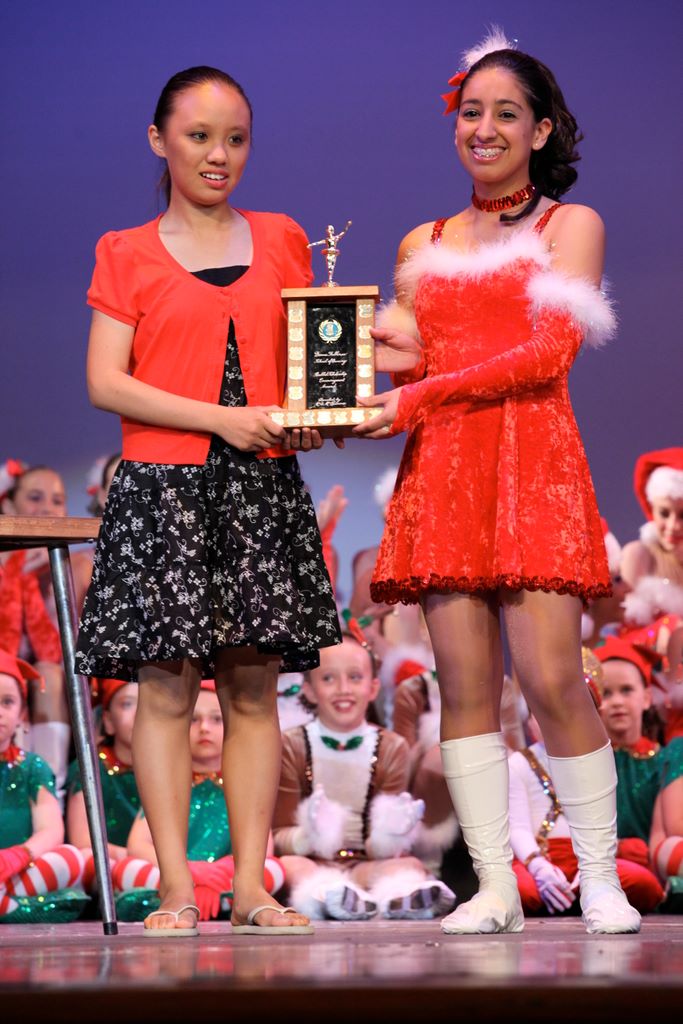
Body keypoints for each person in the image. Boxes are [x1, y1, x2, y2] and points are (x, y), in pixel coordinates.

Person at [353, 28, 640, 934]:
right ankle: (492, 887)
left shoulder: (570, 226)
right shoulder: (424, 242)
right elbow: (411, 357)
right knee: (463, 688)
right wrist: (337, 359)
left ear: (540, 130)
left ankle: (598, 877)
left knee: (552, 679)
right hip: (445, 467)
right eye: (470, 112)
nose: (483, 128)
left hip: (532, 464)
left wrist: (414, 394)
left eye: (505, 114)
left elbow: (545, 357)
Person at [74, 66, 341, 936]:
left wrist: (312, 418)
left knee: (253, 691)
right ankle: (176, 888)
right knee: (164, 692)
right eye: (198, 136)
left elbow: (304, 362)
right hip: (166, 490)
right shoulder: (126, 250)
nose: (217, 154)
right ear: (159, 141)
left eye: (234, 138)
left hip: (259, 486)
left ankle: (253, 888)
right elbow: (105, 380)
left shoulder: (285, 237)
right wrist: (222, 419)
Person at [273, 634, 455, 920]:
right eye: (328, 679)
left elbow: (379, 849)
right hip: (311, 864)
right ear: (309, 690)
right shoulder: (290, 745)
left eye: (355, 677)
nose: (343, 690)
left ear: (373, 688)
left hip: (366, 865)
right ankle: (329, 896)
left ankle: (398, 898)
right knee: (290, 866)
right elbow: (278, 834)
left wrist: (391, 833)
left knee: (409, 866)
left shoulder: (391, 747)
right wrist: (309, 836)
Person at [111, 682, 285, 922]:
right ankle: (180, 891)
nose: (204, 728)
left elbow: (266, 848)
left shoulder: (240, 786)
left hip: (224, 874)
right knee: (127, 869)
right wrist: (194, 870)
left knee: (275, 868)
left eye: (216, 719)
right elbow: (137, 845)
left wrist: (219, 871)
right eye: (193, 720)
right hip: (180, 869)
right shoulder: (170, 784)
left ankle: (244, 893)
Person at [509, 647, 664, 917]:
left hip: (587, 858)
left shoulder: (597, 760)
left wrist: (595, 866)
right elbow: (518, 827)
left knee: (644, 883)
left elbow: (603, 822)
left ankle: (590, 890)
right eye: (543, 712)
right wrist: (538, 866)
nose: (555, 721)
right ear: (530, 717)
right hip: (538, 859)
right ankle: (561, 892)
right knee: (521, 891)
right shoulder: (519, 763)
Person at [0, 460, 91, 798]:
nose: (48, 508)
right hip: (5, 673)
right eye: (35, 497)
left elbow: (64, 650)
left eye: (57, 500)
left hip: (56, 683)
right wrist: (17, 570)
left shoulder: (73, 565)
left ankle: (50, 792)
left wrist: (48, 574)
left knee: (49, 675)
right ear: (9, 505)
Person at [0, 649, 86, 923]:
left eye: (7, 702)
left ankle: (5, 901)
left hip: (16, 871)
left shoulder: (32, 767)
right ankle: (11, 907)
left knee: (70, 858)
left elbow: (51, 830)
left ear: (23, 715)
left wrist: (17, 856)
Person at [66, 678, 141, 891]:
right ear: (107, 720)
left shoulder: (171, 768)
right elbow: (82, 841)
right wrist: (132, 857)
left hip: (153, 864)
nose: (139, 713)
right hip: (110, 864)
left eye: (148, 704)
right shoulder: (90, 766)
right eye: (127, 704)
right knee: (85, 858)